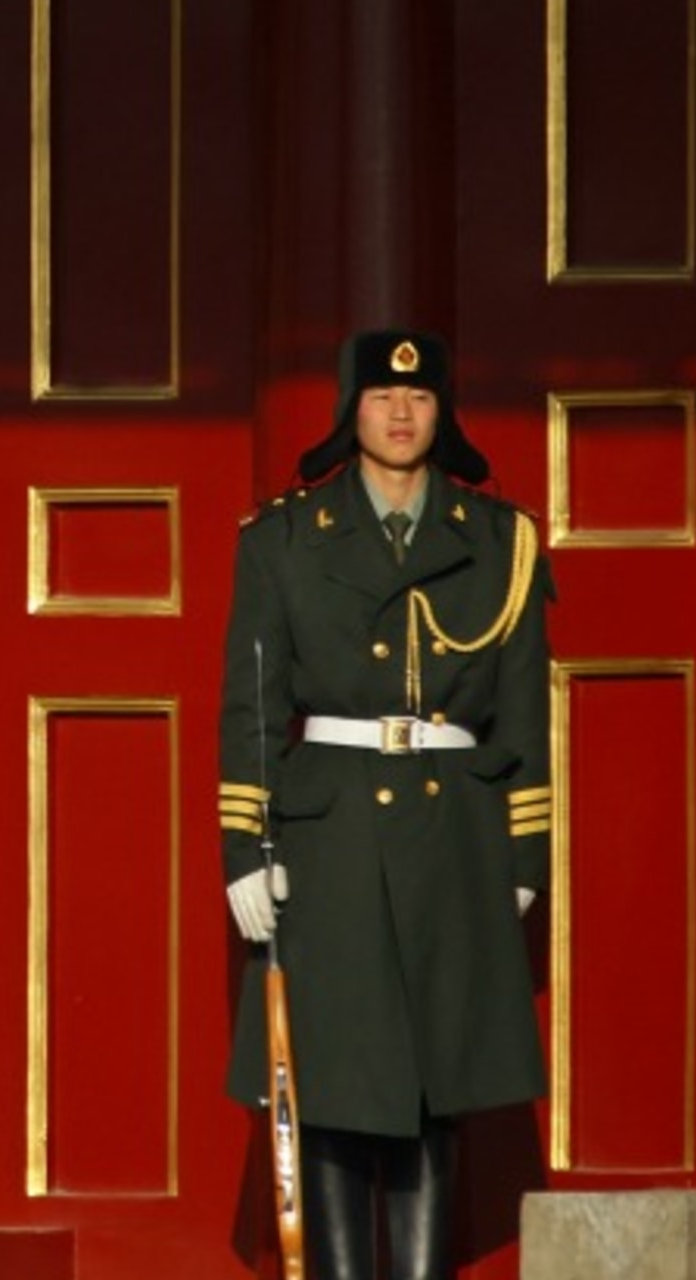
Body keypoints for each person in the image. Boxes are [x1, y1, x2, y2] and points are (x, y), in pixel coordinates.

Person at [216, 330, 555, 1280]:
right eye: (379, 398)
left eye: (418, 399)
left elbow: (525, 713)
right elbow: (253, 704)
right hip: (330, 842)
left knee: (432, 1089)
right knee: (325, 1086)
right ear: (348, 412)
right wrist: (246, 845)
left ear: (442, 413)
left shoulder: (500, 541)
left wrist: (524, 859)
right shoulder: (283, 539)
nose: (400, 415)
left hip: (454, 839)